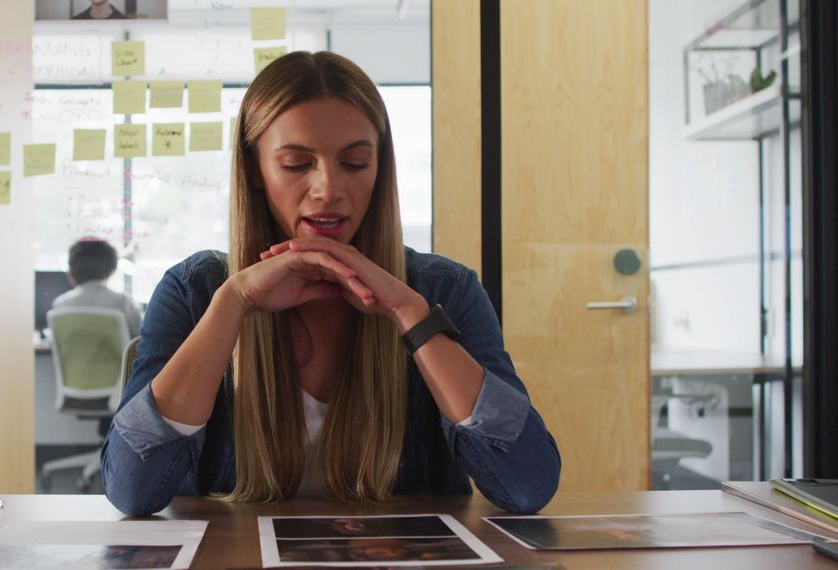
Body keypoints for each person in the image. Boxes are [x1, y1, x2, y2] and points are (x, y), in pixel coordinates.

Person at [100, 51, 561, 517]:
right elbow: (133, 491)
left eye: (356, 163)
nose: (328, 189)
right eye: (297, 164)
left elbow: (526, 486)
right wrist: (233, 303)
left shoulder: (445, 290)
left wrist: (412, 318)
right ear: (256, 170)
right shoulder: (193, 290)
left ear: (380, 168)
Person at [52, 237, 142, 341]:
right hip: (115, 358)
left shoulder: (60, 305)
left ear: (71, 272)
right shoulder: (124, 303)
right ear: (111, 270)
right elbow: (141, 341)